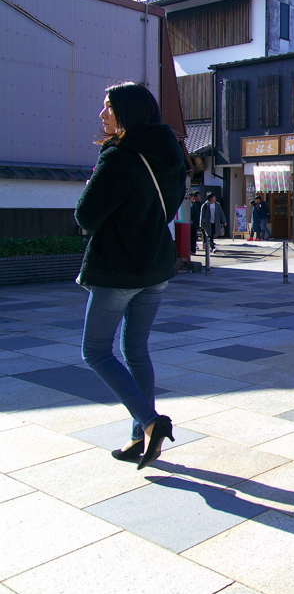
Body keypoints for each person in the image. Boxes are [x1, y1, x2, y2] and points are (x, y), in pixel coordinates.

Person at [75, 82, 185, 470]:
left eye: (108, 107)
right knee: (136, 350)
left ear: (128, 112)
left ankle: (151, 421)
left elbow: (86, 217)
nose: (102, 115)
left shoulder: (119, 158)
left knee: (96, 351)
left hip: (119, 268)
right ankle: (140, 437)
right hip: (156, 265)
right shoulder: (170, 154)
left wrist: (94, 184)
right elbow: (169, 209)